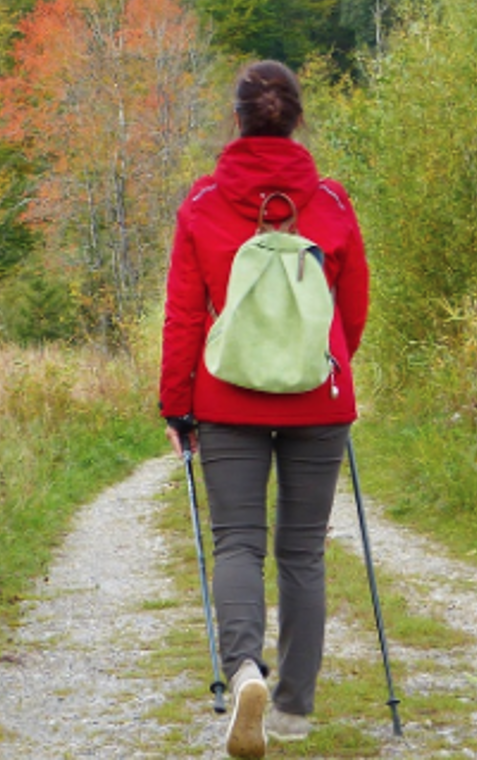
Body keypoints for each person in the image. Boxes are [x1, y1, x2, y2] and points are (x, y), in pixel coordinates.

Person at [159, 59, 370, 759]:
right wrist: (331, 368)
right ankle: (292, 712)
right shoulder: (333, 204)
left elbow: (185, 315)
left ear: (237, 118)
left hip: (226, 397)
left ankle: (244, 668)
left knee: (238, 542)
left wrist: (176, 405)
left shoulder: (202, 202)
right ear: (297, 119)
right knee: (303, 552)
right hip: (319, 398)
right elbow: (354, 309)